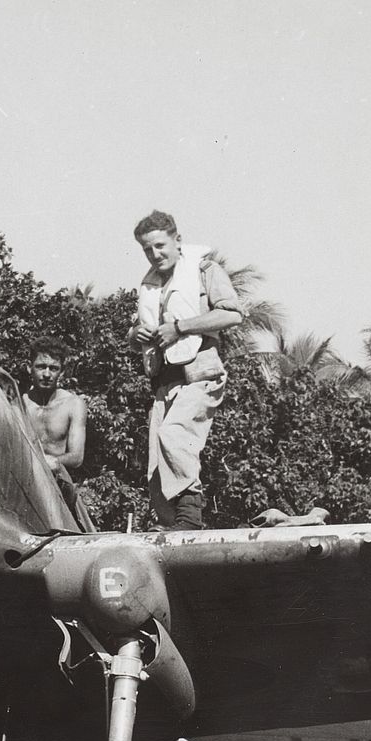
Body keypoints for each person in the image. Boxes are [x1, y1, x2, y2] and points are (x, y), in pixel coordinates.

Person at [128, 209, 245, 530]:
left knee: (174, 436)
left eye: (160, 245)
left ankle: (190, 519)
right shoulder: (152, 284)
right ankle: (174, 528)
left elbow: (233, 314)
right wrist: (134, 335)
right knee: (156, 466)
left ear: (177, 240)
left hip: (200, 371)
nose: (155, 254)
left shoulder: (204, 270)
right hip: (164, 383)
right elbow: (140, 330)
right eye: (147, 249)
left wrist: (180, 327)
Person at [22, 336, 91, 527]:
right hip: (24, 479)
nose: (46, 374)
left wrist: (54, 462)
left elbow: (77, 457)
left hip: (59, 485)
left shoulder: (73, 404)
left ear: (62, 371)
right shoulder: (20, 404)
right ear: (29, 368)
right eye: (40, 366)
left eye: (53, 368)